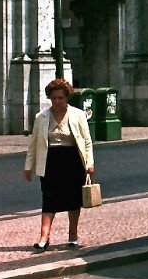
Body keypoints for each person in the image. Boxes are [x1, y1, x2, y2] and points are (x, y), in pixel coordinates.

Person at [23, 79, 95, 251]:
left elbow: (87, 142)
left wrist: (90, 164)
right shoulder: (41, 118)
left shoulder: (78, 115)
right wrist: (28, 166)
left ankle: (72, 235)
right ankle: (44, 237)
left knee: (73, 199)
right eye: (53, 98)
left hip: (72, 160)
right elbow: (34, 144)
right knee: (48, 198)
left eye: (60, 98)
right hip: (50, 160)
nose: (56, 102)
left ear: (67, 97)